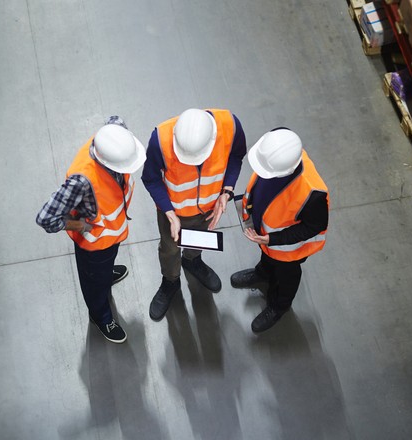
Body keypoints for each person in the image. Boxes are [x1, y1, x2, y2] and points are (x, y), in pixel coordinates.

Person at [36, 117, 146, 343]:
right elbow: (46, 218)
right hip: (94, 245)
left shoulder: (115, 131)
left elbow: (116, 119)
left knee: (104, 269)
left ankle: (105, 276)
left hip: (112, 235)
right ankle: (100, 315)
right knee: (94, 281)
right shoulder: (81, 181)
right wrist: (78, 225)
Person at [141, 108, 247, 320]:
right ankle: (170, 281)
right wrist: (169, 213)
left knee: (199, 240)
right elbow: (150, 178)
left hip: (209, 206)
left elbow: (236, 156)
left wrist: (227, 191)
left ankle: (192, 260)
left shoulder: (230, 126)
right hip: (173, 211)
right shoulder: (160, 139)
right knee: (169, 249)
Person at [231, 128, 329, 333]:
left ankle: (279, 306)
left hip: (288, 250)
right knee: (267, 259)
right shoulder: (278, 151)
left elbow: (314, 226)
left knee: (287, 275)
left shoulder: (313, 193)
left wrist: (273, 239)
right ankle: (263, 273)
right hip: (266, 238)